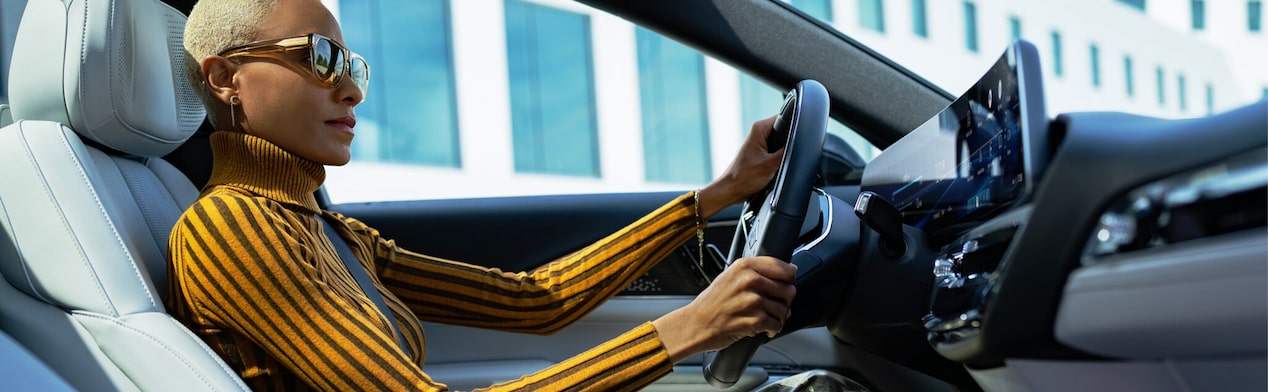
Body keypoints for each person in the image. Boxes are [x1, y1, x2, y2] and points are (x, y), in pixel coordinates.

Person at [168, 0, 797, 390]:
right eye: (322, 58)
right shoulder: (232, 228)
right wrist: (689, 328)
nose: (352, 90)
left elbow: (534, 302)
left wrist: (719, 194)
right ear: (227, 77)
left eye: (353, 66)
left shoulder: (325, 231)